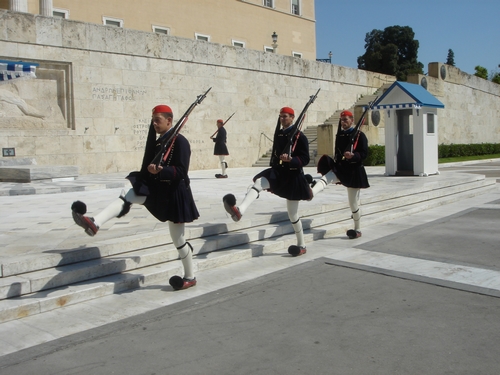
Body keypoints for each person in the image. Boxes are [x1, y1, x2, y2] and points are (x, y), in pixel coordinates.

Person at [71, 105, 200, 290]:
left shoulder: (180, 142)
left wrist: (162, 170)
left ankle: (190, 276)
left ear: (169, 121)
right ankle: (95, 222)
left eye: (158, 120)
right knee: (127, 194)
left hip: (174, 195)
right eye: (153, 119)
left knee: (178, 239)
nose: (154, 123)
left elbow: (181, 171)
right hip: (158, 191)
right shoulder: (160, 142)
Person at [223, 106, 312, 256]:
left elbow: (305, 159)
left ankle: (301, 244)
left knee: (293, 215)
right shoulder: (280, 133)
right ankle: (240, 211)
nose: (282, 119)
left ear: (292, 118)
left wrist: (292, 160)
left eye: (285, 116)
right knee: (258, 183)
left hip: (292, 176)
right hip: (278, 172)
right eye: (281, 116)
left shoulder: (299, 136)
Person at [310, 109, 370, 239]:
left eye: (346, 120)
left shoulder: (359, 135)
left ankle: (357, 228)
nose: (343, 122)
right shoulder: (340, 135)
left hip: (354, 170)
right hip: (341, 167)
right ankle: (311, 193)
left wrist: (353, 156)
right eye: (342, 120)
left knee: (353, 204)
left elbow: (364, 153)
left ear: (352, 120)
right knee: (326, 178)